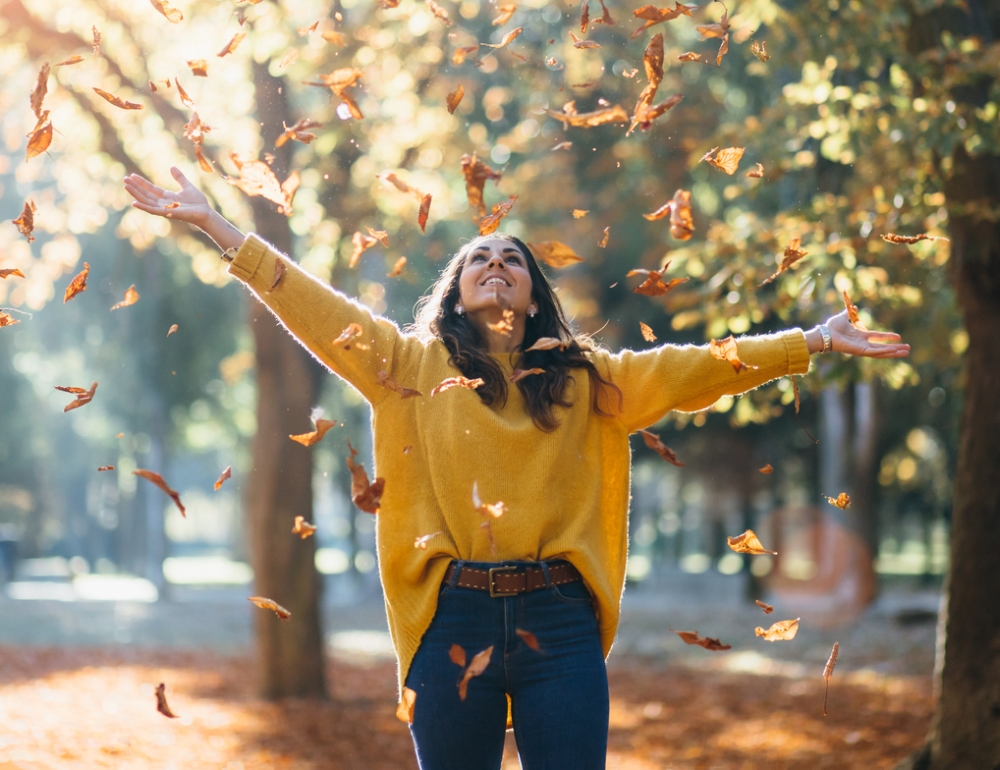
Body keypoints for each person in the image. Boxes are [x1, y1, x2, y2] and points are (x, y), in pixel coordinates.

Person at [124, 166, 909, 770]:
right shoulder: (405, 365)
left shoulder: (587, 379)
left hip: (559, 626)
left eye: (512, 260)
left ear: (532, 296)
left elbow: (699, 365)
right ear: (457, 293)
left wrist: (812, 340)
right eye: (479, 258)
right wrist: (217, 227)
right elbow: (314, 307)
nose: (495, 263)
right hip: (450, 618)